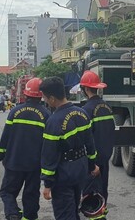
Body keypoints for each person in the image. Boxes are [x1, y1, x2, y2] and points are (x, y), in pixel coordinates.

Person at [40, 77, 99, 220]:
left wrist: (47, 184)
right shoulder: (82, 113)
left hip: (63, 174)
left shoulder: (54, 122)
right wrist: (92, 165)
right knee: (73, 208)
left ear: (52, 98)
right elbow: (90, 144)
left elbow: (50, 155)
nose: (45, 101)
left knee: (64, 214)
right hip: (80, 169)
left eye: (45, 98)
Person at [0, 78, 50, 220]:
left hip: (14, 161)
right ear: (41, 95)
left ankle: (13, 214)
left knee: (7, 192)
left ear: (25, 94)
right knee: (31, 194)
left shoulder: (15, 111)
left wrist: (1, 154)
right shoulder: (46, 115)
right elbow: (48, 142)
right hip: (35, 164)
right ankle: (29, 217)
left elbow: (6, 135)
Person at [79, 71, 115, 219]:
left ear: (86, 89)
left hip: (93, 160)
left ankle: (98, 216)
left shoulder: (86, 110)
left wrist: (90, 162)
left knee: (91, 195)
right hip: (105, 156)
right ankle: (102, 212)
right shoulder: (107, 107)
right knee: (102, 190)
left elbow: (86, 139)